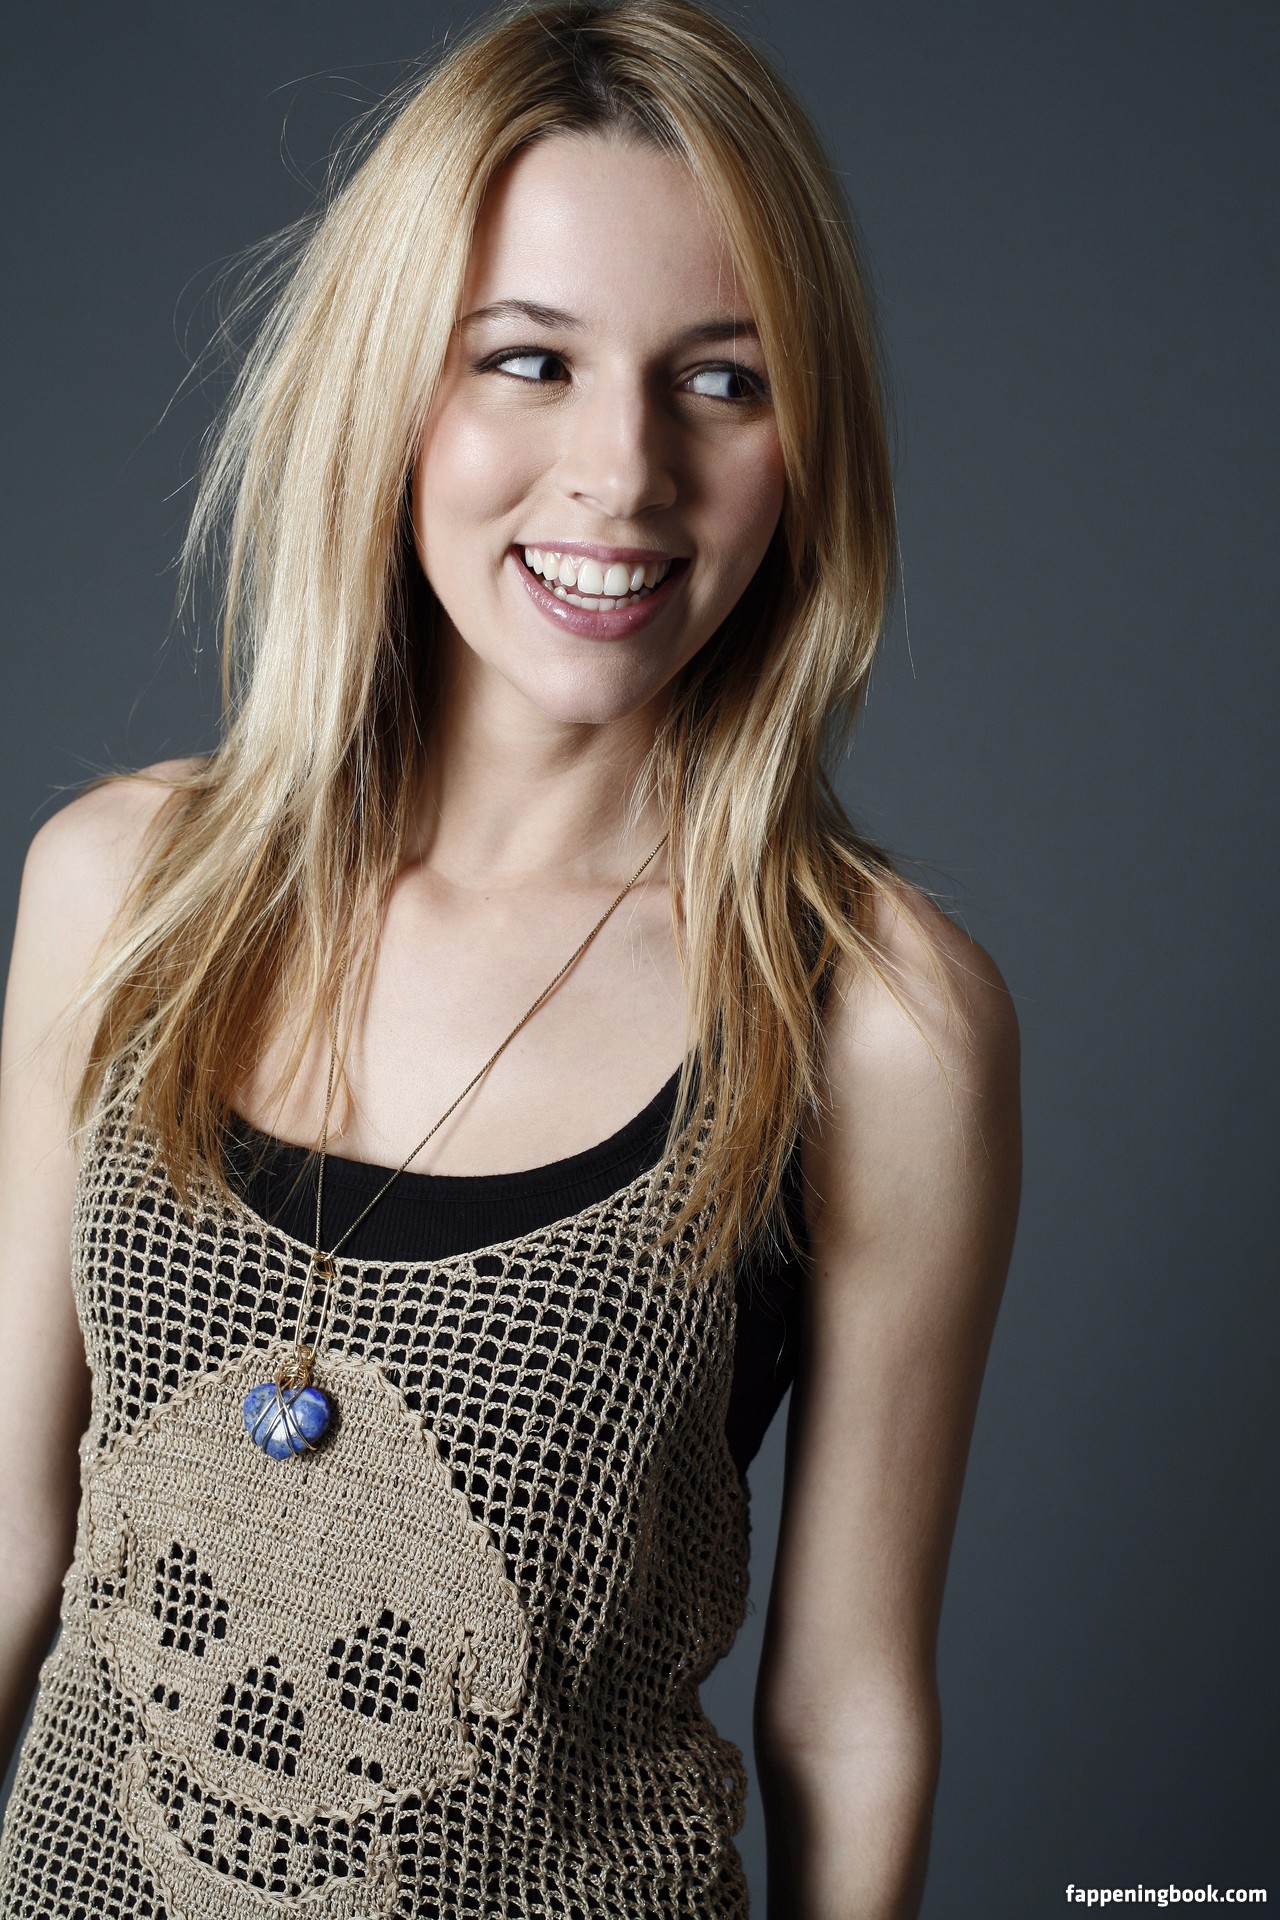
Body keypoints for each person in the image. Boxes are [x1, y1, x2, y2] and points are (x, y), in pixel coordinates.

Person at [0, 1, 1021, 1914]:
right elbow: (10, 1543)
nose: (622, 472)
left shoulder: (869, 1017)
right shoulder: (124, 890)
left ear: (805, 443)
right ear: (395, 387)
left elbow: (848, 1710)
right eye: (529, 360)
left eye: (722, 380)